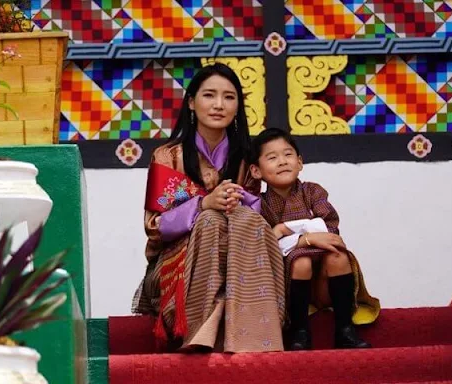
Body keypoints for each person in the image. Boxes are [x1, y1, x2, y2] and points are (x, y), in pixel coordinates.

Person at [132, 64, 285, 353]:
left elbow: (261, 213)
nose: (218, 105)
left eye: (229, 97)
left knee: (241, 219)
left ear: (238, 105)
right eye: (209, 95)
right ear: (191, 102)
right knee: (210, 220)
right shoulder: (168, 156)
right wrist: (203, 204)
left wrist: (236, 201)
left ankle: (255, 331)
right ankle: (200, 330)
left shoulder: (247, 158)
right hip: (179, 261)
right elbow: (154, 227)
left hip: (239, 256)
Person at [249, 128, 380, 351]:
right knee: (301, 261)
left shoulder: (313, 192)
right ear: (256, 171)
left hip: (325, 283)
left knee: (337, 256)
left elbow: (328, 229)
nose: (282, 161)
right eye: (272, 157)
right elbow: (265, 244)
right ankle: (299, 331)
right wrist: (305, 239)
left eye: (288, 155)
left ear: (300, 162)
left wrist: (284, 231)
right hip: (290, 285)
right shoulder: (258, 205)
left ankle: (345, 330)